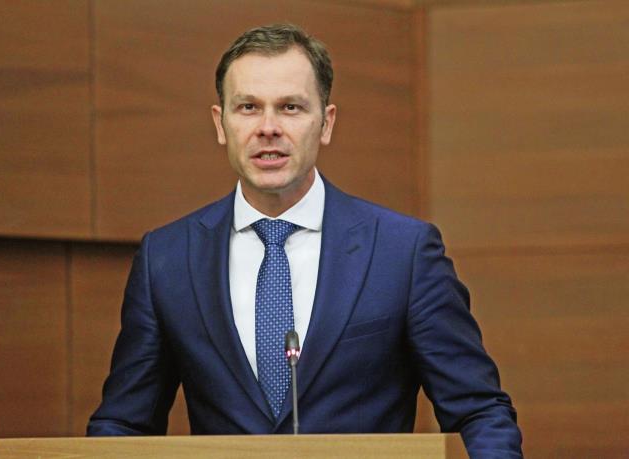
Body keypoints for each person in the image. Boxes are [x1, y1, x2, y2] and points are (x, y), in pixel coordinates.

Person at [87, 24, 523, 457]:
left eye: (290, 107)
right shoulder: (167, 259)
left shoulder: (403, 253)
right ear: (221, 123)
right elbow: (124, 423)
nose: (268, 127)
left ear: (326, 123)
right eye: (248, 107)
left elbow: (479, 412)